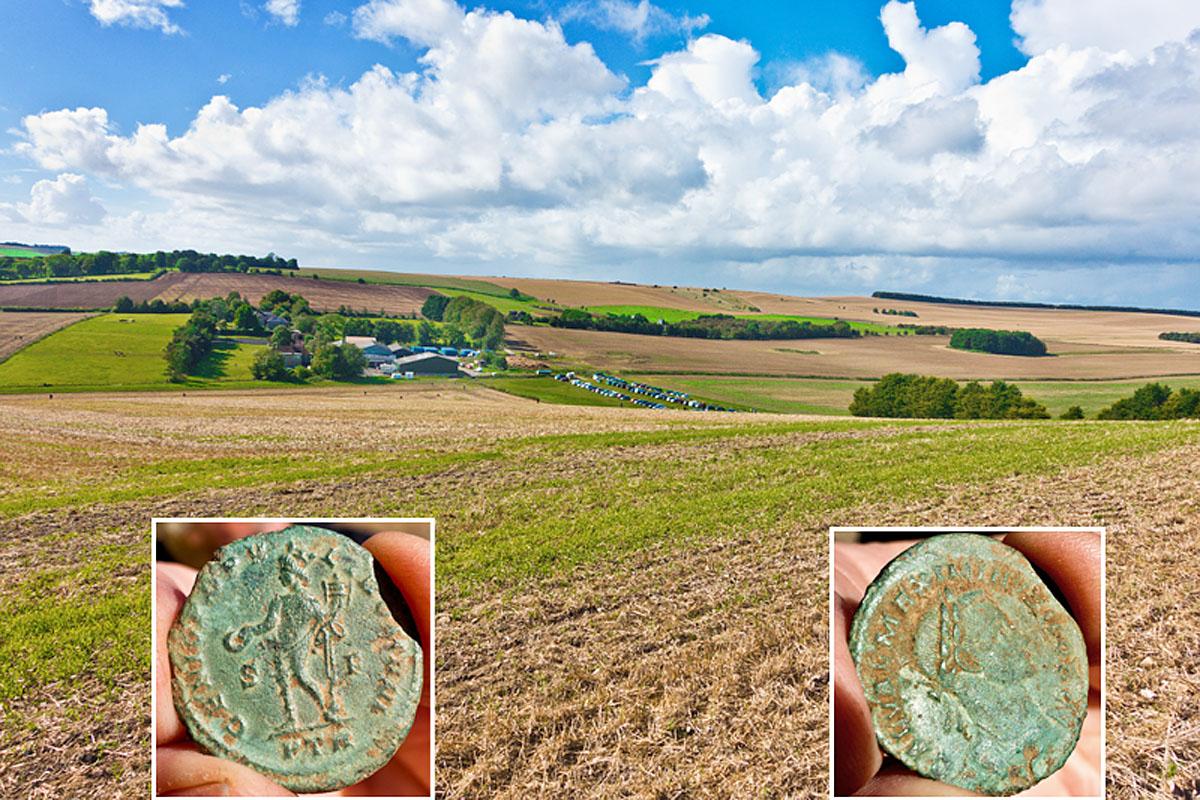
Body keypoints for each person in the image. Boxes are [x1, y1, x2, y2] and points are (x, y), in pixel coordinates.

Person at [155, 525, 431, 797]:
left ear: (297, 577)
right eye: (284, 577)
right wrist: (246, 633)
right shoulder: (279, 600)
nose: (287, 581)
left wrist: (335, 608)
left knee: (303, 678)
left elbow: (323, 620)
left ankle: (327, 711)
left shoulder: (308, 598)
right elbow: (267, 624)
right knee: (285, 683)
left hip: (299, 648)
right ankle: (293, 720)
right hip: (279, 648)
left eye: (289, 576)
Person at [833, 531, 1102, 797]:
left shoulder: (1047, 725)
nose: (1021, 635)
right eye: (1001, 632)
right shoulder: (959, 748)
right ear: (968, 660)